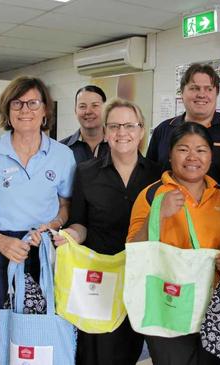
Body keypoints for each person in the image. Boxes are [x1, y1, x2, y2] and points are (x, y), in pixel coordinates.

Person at [0, 76, 76, 362]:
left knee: (41, 328)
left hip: (43, 250)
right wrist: (0, 242)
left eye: (33, 103)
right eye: (17, 103)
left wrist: (53, 226)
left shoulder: (63, 155)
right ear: (7, 110)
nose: (25, 109)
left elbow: (65, 208)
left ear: (45, 110)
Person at [54, 99, 161, 365]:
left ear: (141, 130)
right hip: (100, 277)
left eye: (129, 125)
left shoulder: (159, 175)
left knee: (130, 347)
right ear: (105, 131)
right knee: (96, 350)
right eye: (114, 126)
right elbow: (80, 223)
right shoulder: (86, 172)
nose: (122, 132)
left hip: (141, 276)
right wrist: (69, 237)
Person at [128, 122, 220, 365]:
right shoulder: (152, 195)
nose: (193, 157)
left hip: (215, 306)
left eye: (201, 150)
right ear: (170, 154)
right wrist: (158, 214)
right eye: (183, 149)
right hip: (168, 305)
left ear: (211, 156)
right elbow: (133, 250)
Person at [147, 63, 220, 190]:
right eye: (194, 88)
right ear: (181, 92)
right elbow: (150, 176)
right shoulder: (163, 130)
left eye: (208, 89)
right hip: (170, 208)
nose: (202, 94)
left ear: (217, 93)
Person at [61, 85, 110, 163]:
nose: (88, 112)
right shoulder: (61, 149)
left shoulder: (119, 145)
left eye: (95, 105)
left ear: (106, 109)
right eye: (82, 106)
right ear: (75, 111)